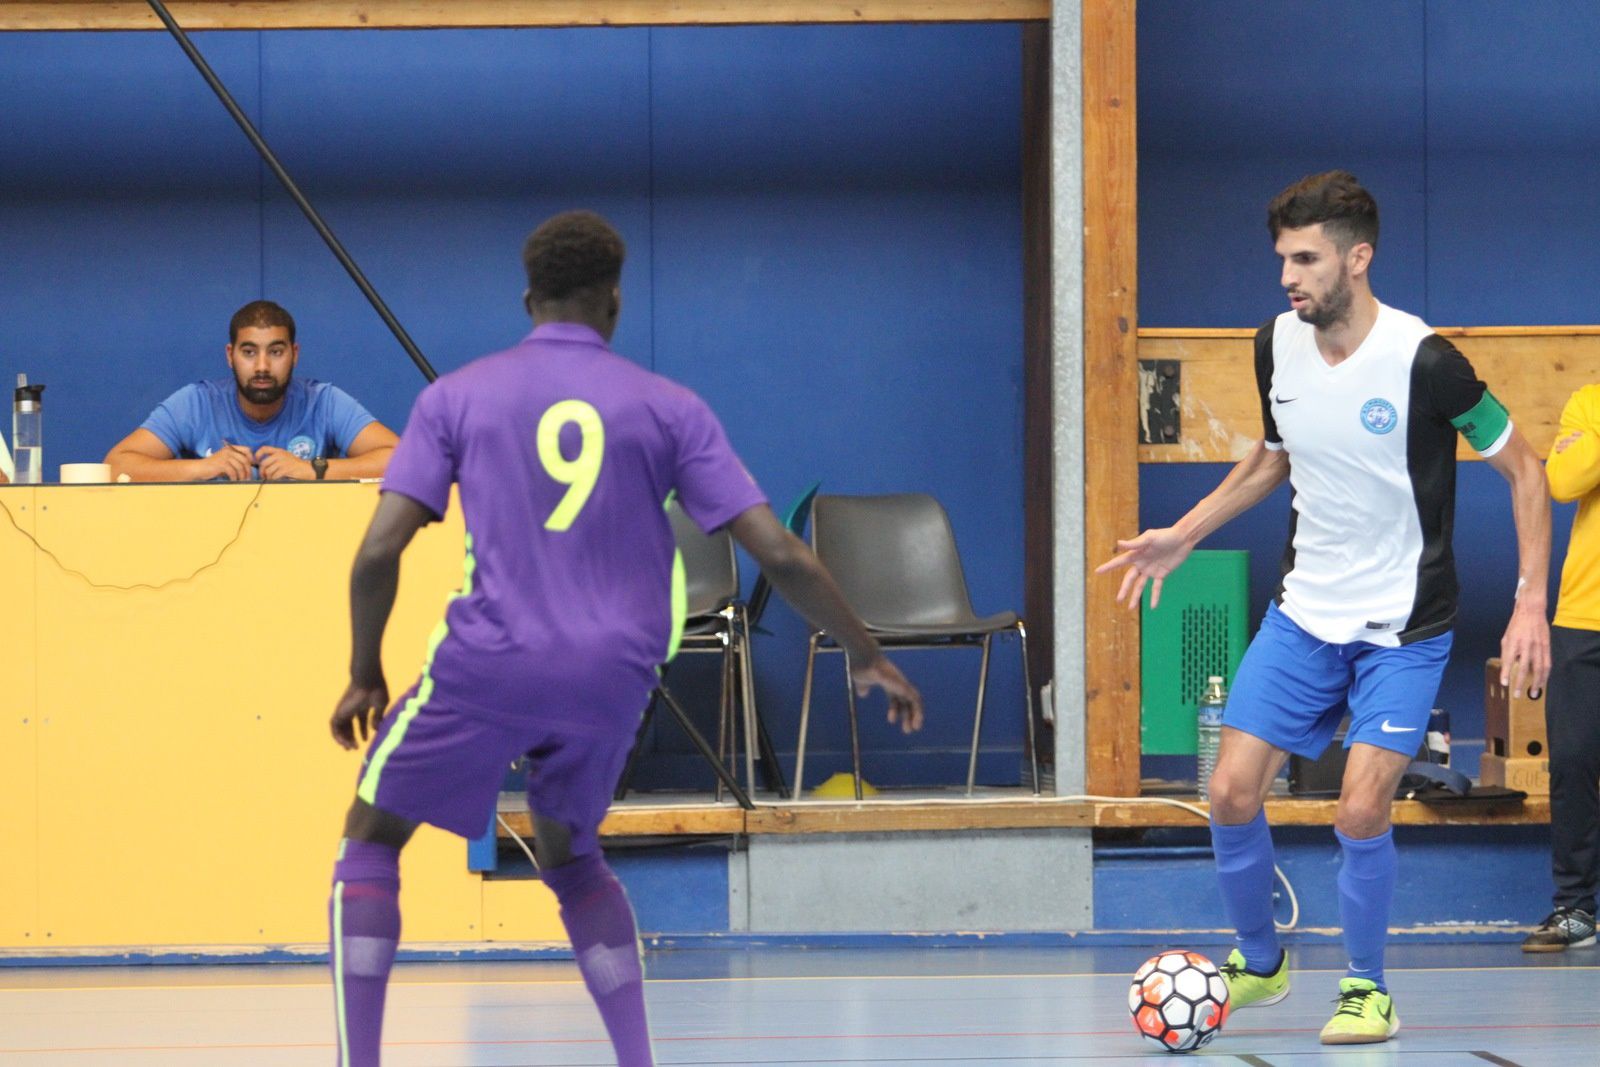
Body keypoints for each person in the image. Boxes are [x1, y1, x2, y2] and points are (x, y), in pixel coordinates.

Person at [324, 210, 923, 1067]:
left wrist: (363, 670)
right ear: (613, 300)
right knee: (571, 855)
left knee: (371, 836)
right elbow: (782, 553)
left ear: (528, 300)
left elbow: (379, 549)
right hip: (614, 676)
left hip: (491, 661)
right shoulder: (670, 407)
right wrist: (866, 651)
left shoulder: (455, 396)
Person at [1098, 171, 1551, 1045]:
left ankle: (1367, 988)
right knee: (1229, 791)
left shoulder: (1428, 361)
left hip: (1403, 628)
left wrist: (1529, 603)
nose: (1287, 277)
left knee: (1359, 808)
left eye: (1305, 259)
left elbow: (1525, 469)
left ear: (1358, 257)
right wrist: (1183, 532)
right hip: (1305, 614)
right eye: (1282, 258)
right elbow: (1275, 455)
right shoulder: (1275, 344)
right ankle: (1261, 961)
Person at [104, 300, 398, 482]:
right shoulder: (196, 403)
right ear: (230, 355)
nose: (262, 366)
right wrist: (202, 469)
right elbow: (116, 465)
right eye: (249, 352)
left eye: (276, 352)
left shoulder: (323, 402)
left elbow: (402, 460)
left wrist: (314, 470)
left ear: (294, 354)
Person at [1523, 390, 1600, 951]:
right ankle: (1575, 909)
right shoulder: (1588, 403)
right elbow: (1565, 479)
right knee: (1571, 763)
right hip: (1584, 617)